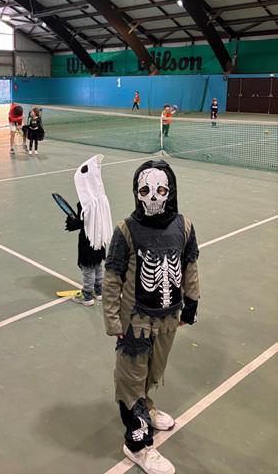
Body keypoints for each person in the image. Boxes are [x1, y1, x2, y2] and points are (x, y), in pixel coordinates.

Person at [103, 160, 199, 474]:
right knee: (130, 381)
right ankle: (137, 446)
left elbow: (189, 265)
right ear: (136, 192)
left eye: (160, 190)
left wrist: (191, 303)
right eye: (145, 190)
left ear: (170, 192)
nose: (153, 197)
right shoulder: (126, 230)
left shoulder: (184, 226)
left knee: (153, 372)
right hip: (135, 323)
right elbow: (112, 278)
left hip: (167, 320)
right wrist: (113, 321)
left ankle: (147, 407)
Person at [65, 155, 113, 306]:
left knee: (88, 268)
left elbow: (80, 224)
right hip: (100, 240)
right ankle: (99, 291)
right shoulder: (102, 200)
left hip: (87, 242)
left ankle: (87, 296)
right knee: (98, 265)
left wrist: (71, 221)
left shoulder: (84, 205)